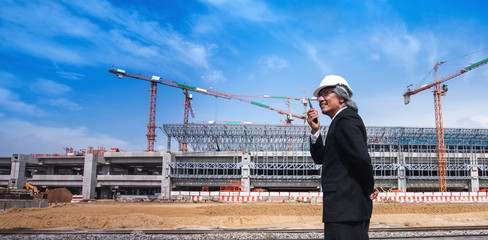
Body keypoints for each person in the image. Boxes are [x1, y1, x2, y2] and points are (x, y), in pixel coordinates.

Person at [307, 75, 379, 240]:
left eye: (326, 93)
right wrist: (315, 131)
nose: (320, 99)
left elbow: (360, 158)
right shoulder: (338, 122)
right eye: (319, 95)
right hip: (344, 208)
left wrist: (368, 187)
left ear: (341, 97)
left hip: (346, 209)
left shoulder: (346, 119)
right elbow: (321, 157)